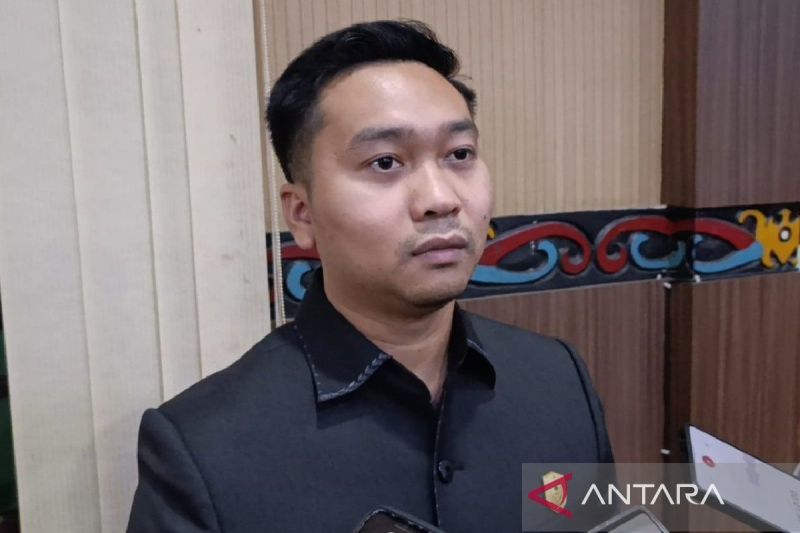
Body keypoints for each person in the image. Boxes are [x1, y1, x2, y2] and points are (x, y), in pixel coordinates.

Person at [127, 20, 613, 532]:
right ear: (303, 214)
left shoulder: (558, 380)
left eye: (459, 155)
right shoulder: (204, 448)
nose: (440, 198)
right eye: (385, 162)